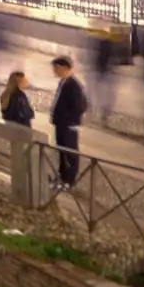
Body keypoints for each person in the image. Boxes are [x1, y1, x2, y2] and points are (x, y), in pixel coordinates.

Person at [49, 55, 88, 190]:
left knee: (70, 153)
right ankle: (61, 176)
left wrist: (69, 119)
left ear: (64, 68)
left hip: (68, 126)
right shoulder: (63, 82)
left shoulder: (74, 86)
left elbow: (81, 106)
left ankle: (69, 180)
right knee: (61, 151)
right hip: (60, 124)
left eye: (56, 68)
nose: (54, 71)